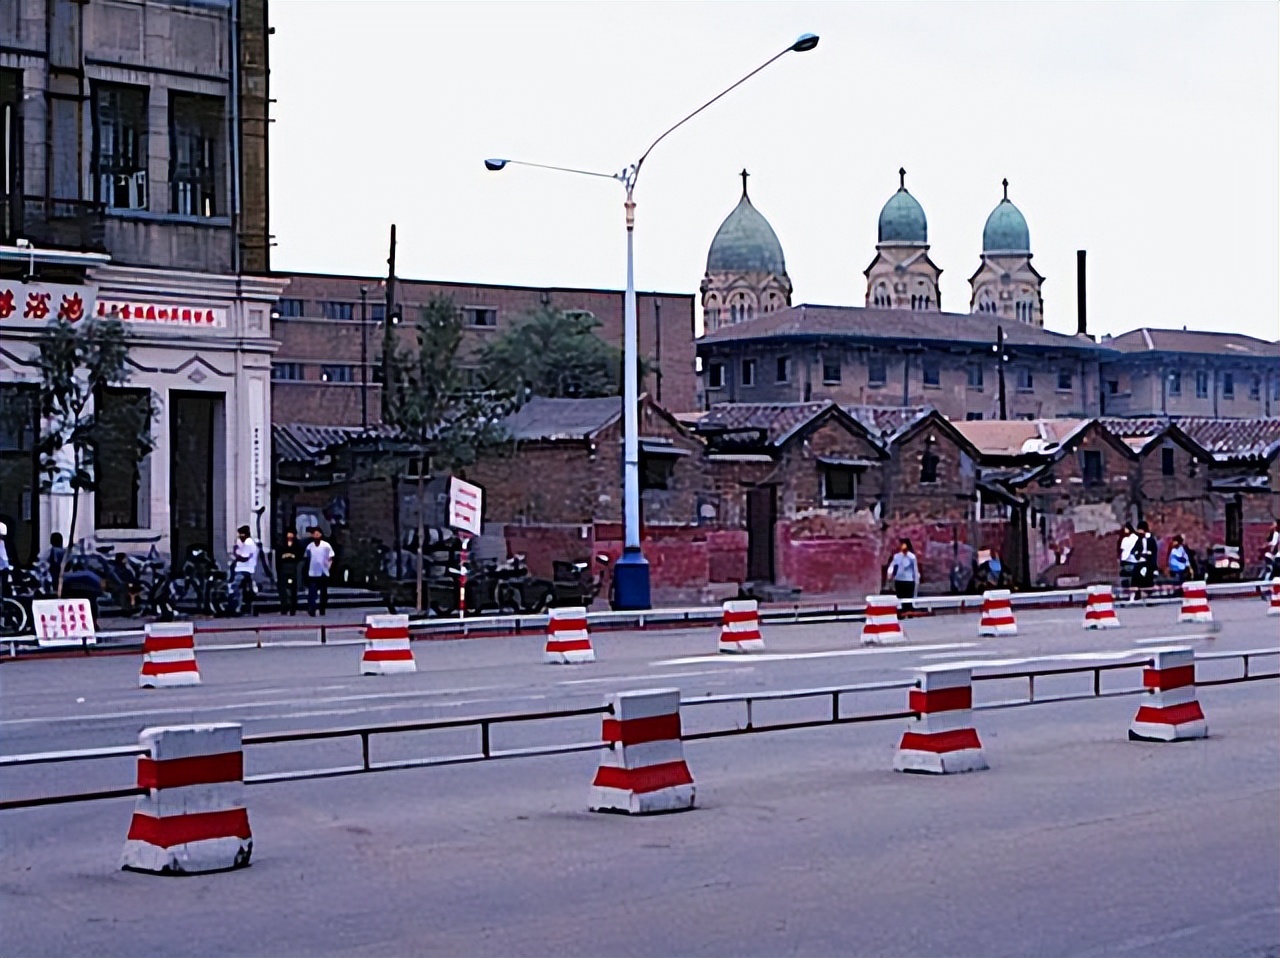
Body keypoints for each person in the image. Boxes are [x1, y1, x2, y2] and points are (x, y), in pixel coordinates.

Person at [304, 526, 335, 617]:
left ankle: (322, 608)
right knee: (312, 592)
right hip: (313, 573)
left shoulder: (326, 545)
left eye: (318, 534)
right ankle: (312, 608)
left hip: (323, 572)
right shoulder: (310, 546)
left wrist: (328, 567)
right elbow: (307, 558)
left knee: (323, 593)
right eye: (314, 534)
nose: (316, 535)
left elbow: (331, 557)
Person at [231, 525, 259, 616]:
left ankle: (236, 607)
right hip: (242, 569)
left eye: (241, 534)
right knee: (245, 590)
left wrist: (236, 554)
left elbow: (244, 557)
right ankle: (243, 608)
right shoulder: (242, 543)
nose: (240, 536)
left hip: (245, 569)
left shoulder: (249, 543)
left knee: (235, 587)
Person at [885, 538, 919, 613]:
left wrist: (916, 580)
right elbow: (892, 565)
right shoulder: (897, 556)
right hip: (899, 580)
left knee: (908, 598)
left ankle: (909, 611)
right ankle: (902, 611)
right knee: (900, 597)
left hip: (909, 581)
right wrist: (889, 574)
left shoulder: (912, 557)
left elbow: (915, 570)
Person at [276, 529, 302, 616]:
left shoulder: (297, 545)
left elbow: (299, 555)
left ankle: (293, 608)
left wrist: (293, 556)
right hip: (284, 568)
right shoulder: (281, 545)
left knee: (293, 589)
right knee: (283, 589)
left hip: (293, 568)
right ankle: (284, 607)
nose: (290, 536)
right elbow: (278, 557)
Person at [1132, 520, 1157, 595]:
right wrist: (1138, 554)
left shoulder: (1150, 540)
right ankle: (1136, 593)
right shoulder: (1138, 540)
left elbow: (1154, 552)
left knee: (1146, 575)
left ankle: (1147, 592)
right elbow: (1134, 550)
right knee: (1135, 574)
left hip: (1148, 562)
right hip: (1140, 561)